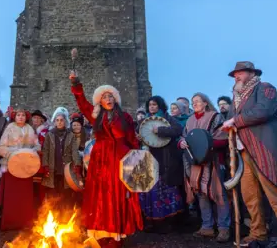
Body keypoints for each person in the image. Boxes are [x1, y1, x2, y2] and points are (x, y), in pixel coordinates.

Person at [222, 61, 277, 248]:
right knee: (251, 197)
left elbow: (263, 111)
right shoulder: (236, 97)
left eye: (240, 73)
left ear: (251, 73)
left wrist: (235, 120)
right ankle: (258, 233)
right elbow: (229, 122)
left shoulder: (265, 88)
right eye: (235, 75)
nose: (236, 77)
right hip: (244, 153)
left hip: (265, 152)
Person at [69, 70, 142, 248]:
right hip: (100, 161)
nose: (108, 99)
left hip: (120, 159)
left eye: (111, 96)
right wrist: (76, 83)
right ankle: (101, 234)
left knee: (118, 195)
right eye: (104, 97)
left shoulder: (125, 117)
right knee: (100, 196)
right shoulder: (96, 117)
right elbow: (82, 102)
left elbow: (132, 140)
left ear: (115, 99)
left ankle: (116, 234)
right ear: (99, 101)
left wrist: (136, 164)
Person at [179, 93, 230, 242]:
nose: (194, 104)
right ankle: (207, 227)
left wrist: (206, 145)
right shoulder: (189, 120)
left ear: (206, 103)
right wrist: (182, 143)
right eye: (193, 102)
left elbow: (223, 138)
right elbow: (184, 137)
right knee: (201, 194)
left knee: (219, 194)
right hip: (195, 163)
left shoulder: (216, 117)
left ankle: (223, 228)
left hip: (213, 161)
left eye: (197, 101)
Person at [138, 96, 183, 234]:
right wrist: (138, 137)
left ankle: (168, 223)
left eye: (155, 104)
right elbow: (137, 134)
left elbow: (178, 130)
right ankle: (153, 221)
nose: (152, 107)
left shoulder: (168, 118)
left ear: (160, 106)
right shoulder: (144, 121)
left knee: (165, 192)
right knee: (150, 192)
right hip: (148, 160)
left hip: (165, 160)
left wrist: (160, 131)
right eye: (150, 105)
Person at [0, 108, 40, 230]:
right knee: (11, 198)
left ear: (26, 117)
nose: (21, 117)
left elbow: (38, 145)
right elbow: (1, 147)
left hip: (26, 167)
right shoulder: (9, 128)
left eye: (23, 115)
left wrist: (32, 151)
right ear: (14, 117)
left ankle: (25, 223)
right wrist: (14, 153)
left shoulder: (30, 129)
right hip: (11, 166)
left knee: (24, 198)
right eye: (18, 115)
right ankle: (10, 223)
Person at [41, 107, 82, 215]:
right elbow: (45, 151)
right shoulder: (50, 135)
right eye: (57, 120)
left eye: (61, 120)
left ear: (65, 121)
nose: (59, 122)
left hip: (66, 170)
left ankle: (64, 218)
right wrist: (45, 165)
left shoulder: (70, 135)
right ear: (54, 121)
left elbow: (74, 151)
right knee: (53, 195)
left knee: (66, 195)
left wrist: (77, 165)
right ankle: (53, 216)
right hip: (52, 168)